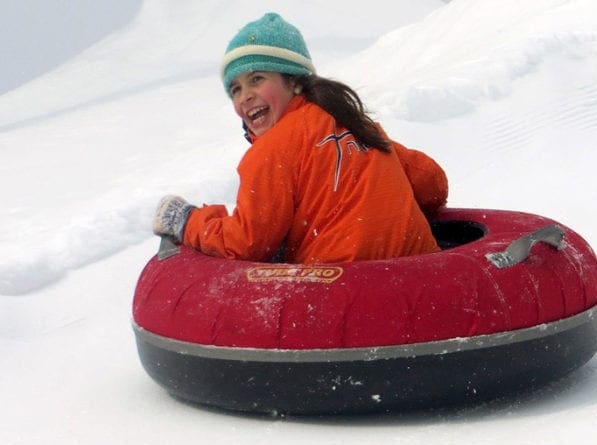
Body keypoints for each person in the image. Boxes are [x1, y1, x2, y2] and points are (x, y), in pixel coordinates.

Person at [153, 12, 447, 263]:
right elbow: (432, 183)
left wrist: (188, 220)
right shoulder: (357, 125)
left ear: (293, 81)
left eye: (256, 79)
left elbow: (246, 242)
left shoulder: (272, 151)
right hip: (420, 278)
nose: (245, 96)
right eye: (235, 89)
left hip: (345, 295)